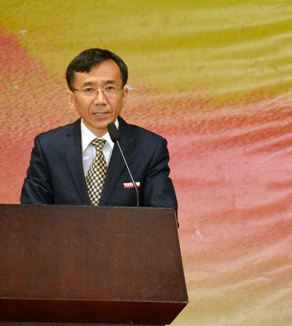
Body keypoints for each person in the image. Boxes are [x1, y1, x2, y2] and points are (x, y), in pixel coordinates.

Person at [20, 48, 177, 212]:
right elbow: (32, 216)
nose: (100, 100)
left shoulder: (149, 148)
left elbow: (163, 218)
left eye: (110, 88)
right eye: (89, 90)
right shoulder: (49, 147)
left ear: (124, 95)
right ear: (71, 99)